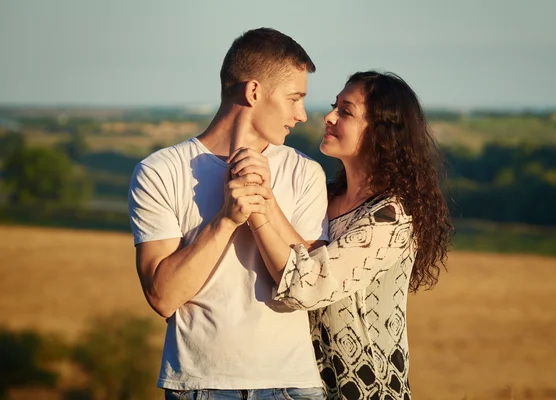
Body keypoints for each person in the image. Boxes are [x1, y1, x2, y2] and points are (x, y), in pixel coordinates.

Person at [127, 27, 329, 399]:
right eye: (294, 98)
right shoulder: (160, 171)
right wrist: (225, 220)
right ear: (254, 92)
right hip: (199, 386)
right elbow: (163, 297)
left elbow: (311, 286)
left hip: (292, 385)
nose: (302, 115)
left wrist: (264, 203)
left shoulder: (305, 172)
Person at [229, 71, 452, 399]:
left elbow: (307, 286)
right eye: (335, 107)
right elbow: (305, 256)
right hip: (310, 386)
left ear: (382, 131)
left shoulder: (392, 217)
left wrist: (256, 209)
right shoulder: (330, 197)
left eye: (345, 112)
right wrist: (267, 198)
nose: (329, 116)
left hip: (370, 390)